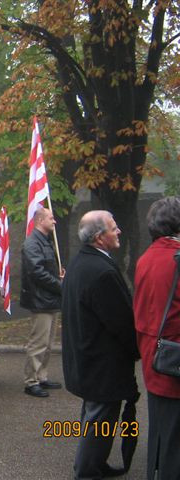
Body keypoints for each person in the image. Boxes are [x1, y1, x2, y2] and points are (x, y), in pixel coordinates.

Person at [62, 210, 140, 479]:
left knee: (95, 416)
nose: (118, 231)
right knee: (99, 419)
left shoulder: (80, 262)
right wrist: (137, 349)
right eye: (113, 228)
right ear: (98, 237)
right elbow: (121, 322)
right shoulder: (101, 271)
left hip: (87, 358)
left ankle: (96, 463)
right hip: (102, 362)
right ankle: (87, 471)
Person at [133, 196, 180, 480]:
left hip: (154, 353)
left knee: (161, 429)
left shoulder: (147, 257)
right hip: (174, 357)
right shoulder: (175, 258)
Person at [20, 207, 64, 397]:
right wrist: (60, 285)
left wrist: (59, 276)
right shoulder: (32, 243)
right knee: (38, 342)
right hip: (41, 300)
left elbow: (46, 267)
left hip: (51, 299)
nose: (54, 221)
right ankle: (31, 381)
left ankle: (41, 376)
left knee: (48, 343)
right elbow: (37, 272)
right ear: (39, 221)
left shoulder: (45, 241)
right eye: (51, 218)